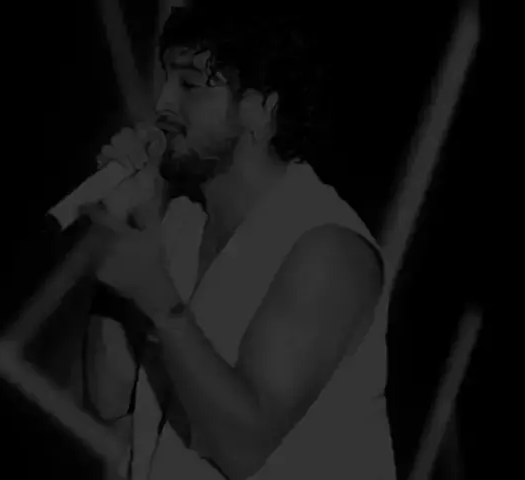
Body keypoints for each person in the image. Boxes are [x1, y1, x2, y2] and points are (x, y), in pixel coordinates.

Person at [76, 3, 397, 479]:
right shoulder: (181, 221)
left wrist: (161, 303)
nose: (164, 105)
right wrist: (123, 221)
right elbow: (108, 395)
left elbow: (243, 448)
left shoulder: (328, 249)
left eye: (189, 85)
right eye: (166, 81)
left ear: (261, 108)